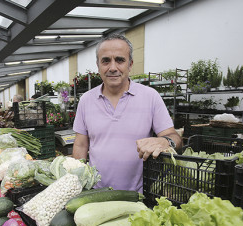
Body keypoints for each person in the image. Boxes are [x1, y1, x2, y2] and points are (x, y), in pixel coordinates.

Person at [72, 34, 182, 192]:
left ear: (130, 64)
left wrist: (165, 142)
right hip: (96, 194)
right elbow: (81, 144)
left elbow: (175, 137)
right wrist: (79, 183)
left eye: (120, 60)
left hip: (138, 196)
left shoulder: (150, 97)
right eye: (105, 61)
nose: (112, 67)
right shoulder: (86, 100)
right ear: (98, 65)